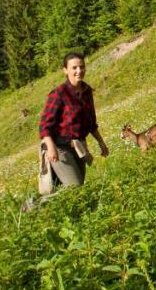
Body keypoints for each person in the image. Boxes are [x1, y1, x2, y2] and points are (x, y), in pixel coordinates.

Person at [38, 52, 110, 191]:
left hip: (79, 147)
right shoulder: (59, 93)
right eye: (74, 67)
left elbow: (91, 122)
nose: (79, 71)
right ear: (65, 70)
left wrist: (101, 142)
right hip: (60, 147)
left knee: (77, 188)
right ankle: (31, 207)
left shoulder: (87, 91)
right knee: (75, 188)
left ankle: (47, 208)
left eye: (82, 67)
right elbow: (44, 125)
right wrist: (51, 147)